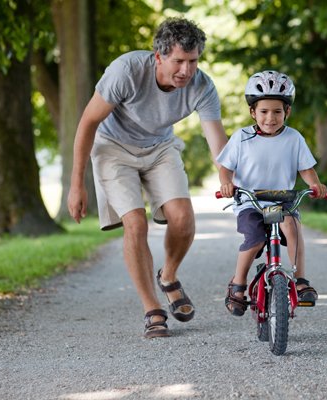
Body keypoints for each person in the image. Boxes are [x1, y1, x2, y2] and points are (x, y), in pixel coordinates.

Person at [67, 18, 228, 338]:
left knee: (183, 218)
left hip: (159, 148)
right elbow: (87, 123)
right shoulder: (126, 71)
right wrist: (76, 185)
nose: (186, 70)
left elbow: (216, 140)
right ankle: (152, 308)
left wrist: (227, 178)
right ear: (159, 56)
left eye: (193, 61)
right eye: (178, 61)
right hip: (113, 149)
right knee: (136, 223)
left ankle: (168, 276)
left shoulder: (202, 86)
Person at [217, 70, 327, 316]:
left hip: (282, 200)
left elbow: (306, 169)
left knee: (292, 226)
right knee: (255, 239)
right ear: (253, 112)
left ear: (287, 112)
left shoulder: (293, 138)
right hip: (250, 201)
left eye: (277, 112)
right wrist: (226, 184)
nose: (270, 118)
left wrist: (315, 185)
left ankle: (300, 280)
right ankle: (238, 284)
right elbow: (225, 168)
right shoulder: (241, 138)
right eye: (264, 111)